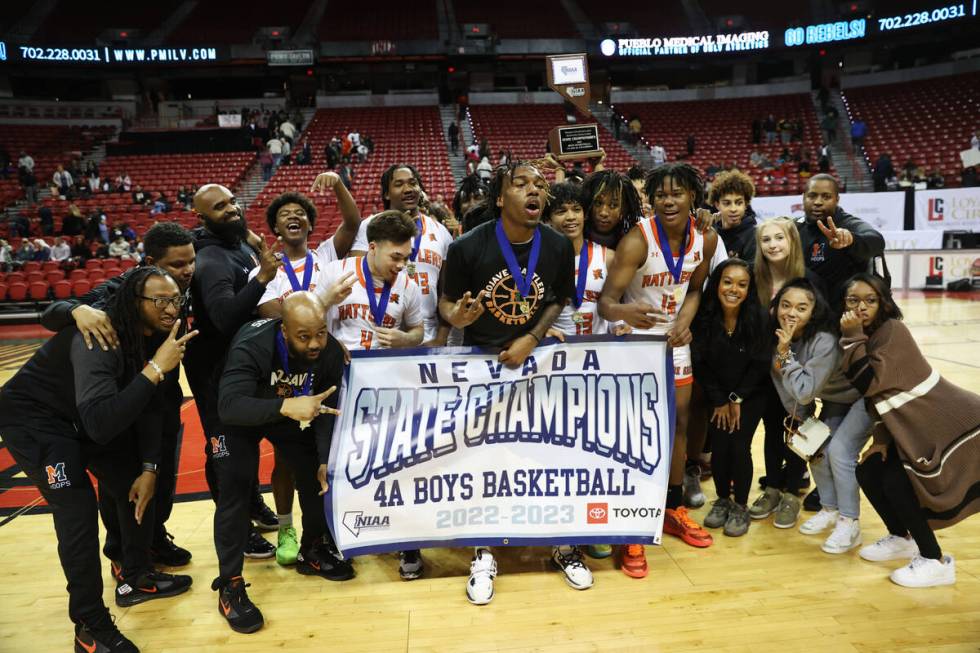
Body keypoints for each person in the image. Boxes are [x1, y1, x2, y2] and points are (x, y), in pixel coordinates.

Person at [0, 267, 196, 653]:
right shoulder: (99, 339)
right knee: (78, 510)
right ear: (134, 302)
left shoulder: (159, 333)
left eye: (176, 300)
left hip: (81, 416)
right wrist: (156, 368)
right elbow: (103, 426)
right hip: (37, 421)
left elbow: (152, 407)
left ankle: (136, 576)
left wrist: (150, 467)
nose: (171, 308)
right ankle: (89, 625)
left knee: (133, 480)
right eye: (160, 301)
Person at [441, 161, 583, 603]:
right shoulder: (467, 247)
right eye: (521, 184)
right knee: (487, 468)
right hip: (485, 367)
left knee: (550, 458)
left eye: (539, 184)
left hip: (537, 364)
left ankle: (563, 543)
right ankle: (484, 552)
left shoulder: (560, 246)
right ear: (501, 198)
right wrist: (457, 316)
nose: (533, 190)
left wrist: (532, 337)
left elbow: (558, 298)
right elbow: (447, 303)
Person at [40, 222, 199, 568]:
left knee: (160, 474)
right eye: (176, 264)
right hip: (124, 400)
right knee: (121, 482)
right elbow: (49, 314)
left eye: (191, 262)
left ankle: (154, 539)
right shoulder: (120, 291)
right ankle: (119, 551)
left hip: (163, 397)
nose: (187, 270)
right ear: (148, 263)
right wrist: (75, 310)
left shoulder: (183, 289)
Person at [599, 162, 720, 576]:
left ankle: (672, 508)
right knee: (635, 431)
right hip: (632, 342)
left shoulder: (706, 237)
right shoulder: (637, 241)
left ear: (693, 197)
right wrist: (626, 311)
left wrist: (685, 319)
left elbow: (697, 288)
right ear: (651, 198)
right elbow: (606, 303)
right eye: (661, 194)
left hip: (673, 340)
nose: (668, 201)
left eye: (677, 193)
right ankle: (633, 521)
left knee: (677, 426)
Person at [212, 292, 351, 634]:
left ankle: (312, 549)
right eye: (304, 336)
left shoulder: (329, 350)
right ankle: (229, 586)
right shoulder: (253, 344)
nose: (316, 343)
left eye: (320, 332)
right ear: (284, 331)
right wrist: (284, 408)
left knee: (317, 475)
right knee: (235, 488)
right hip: (239, 414)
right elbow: (228, 406)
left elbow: (325, 409)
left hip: (287, 411)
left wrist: (322, 459)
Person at [840, 273, 980, 587]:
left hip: (952, 422)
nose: (861, 307)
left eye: (870, 300)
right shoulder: (866, 336)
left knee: (896, 482)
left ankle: (935, 560)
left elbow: (869, 382)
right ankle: (901, 538)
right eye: (853, 300)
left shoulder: (892, 331)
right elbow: (879, 398)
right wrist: (880, 438)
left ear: (883, 303)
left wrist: (851, 336)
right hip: (915, 427)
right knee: (869, 471)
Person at [186, 184, 282, 558]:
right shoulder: (210, 262)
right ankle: (238, 530)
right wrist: (262, 280)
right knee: (225, 451)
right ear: (202, 217)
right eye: (219, 206)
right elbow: (225, 318)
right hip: (213, 369)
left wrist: (255, 243)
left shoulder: (235, 242)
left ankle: (252, 502)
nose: (230, 209)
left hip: (240, 364)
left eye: (231, 202)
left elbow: (242, 231)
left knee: (248, 440)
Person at [770, 278, 868, 550]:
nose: (791, 313)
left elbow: (804, 389)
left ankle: (850, 524)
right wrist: (802, 418)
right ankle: (830, 509)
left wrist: (785, 354)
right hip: (836, 400)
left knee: (839, 452)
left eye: (801, 308)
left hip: (864, 398)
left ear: (813, 312)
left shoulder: (824, 340)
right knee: (814, 449)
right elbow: (784, 384)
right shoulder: (779, 335)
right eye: (786, 305)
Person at [693, 259, 769, 537]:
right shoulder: (704, 316)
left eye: (741, 284)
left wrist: (736, 399)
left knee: (738, 445)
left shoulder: (759, 317)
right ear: (717, 284)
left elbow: (760, 364)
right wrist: (719, 400)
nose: (733, 289)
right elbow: (700, 362)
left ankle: (740, 506)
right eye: (727, 282)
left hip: (750, 393)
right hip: (717, 395)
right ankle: (722, 499)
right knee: (720, 447)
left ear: (750, 288)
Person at [350, 164, 454, 345]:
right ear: (387, 194)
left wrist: (440, 339)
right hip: (379, 335)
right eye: (399, 184)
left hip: (427, 337)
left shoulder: (441, 232)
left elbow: (447, 292)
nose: (408, 189)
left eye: (413, 183)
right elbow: (356, 279)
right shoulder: (369, 226)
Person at [797, 174, 885, 303]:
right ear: (804, 198)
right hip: (804, 307)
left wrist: (851, 240)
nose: (818, 202)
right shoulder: (795, 227)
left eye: (826, 197)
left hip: (841, 310)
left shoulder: (848, 223)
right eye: (812, 195)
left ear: (836, 200)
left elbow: (877, 241)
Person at [545, 181, 617, 338]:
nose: (571, 217)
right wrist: (543, 331)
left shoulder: (608, 258)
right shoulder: (540, 261)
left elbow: (615, 304)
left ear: (585, 215)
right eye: (561, 211)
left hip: (598, 354)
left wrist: (619, 325)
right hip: (556, 353)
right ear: (548, 219)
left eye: (576, 210)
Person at [580, 169, 643, 250]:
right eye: (598, 203)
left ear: (624, 209)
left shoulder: (633, 244)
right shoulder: (574, 237)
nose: (603, 213)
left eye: (613, 205)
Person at [708, 170, 758, 260]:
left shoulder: (754, 235)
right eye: (727, 203)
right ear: (717, 205)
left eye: (739, 203)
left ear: (746, 204)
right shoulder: (710, 232)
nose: (733, 209)